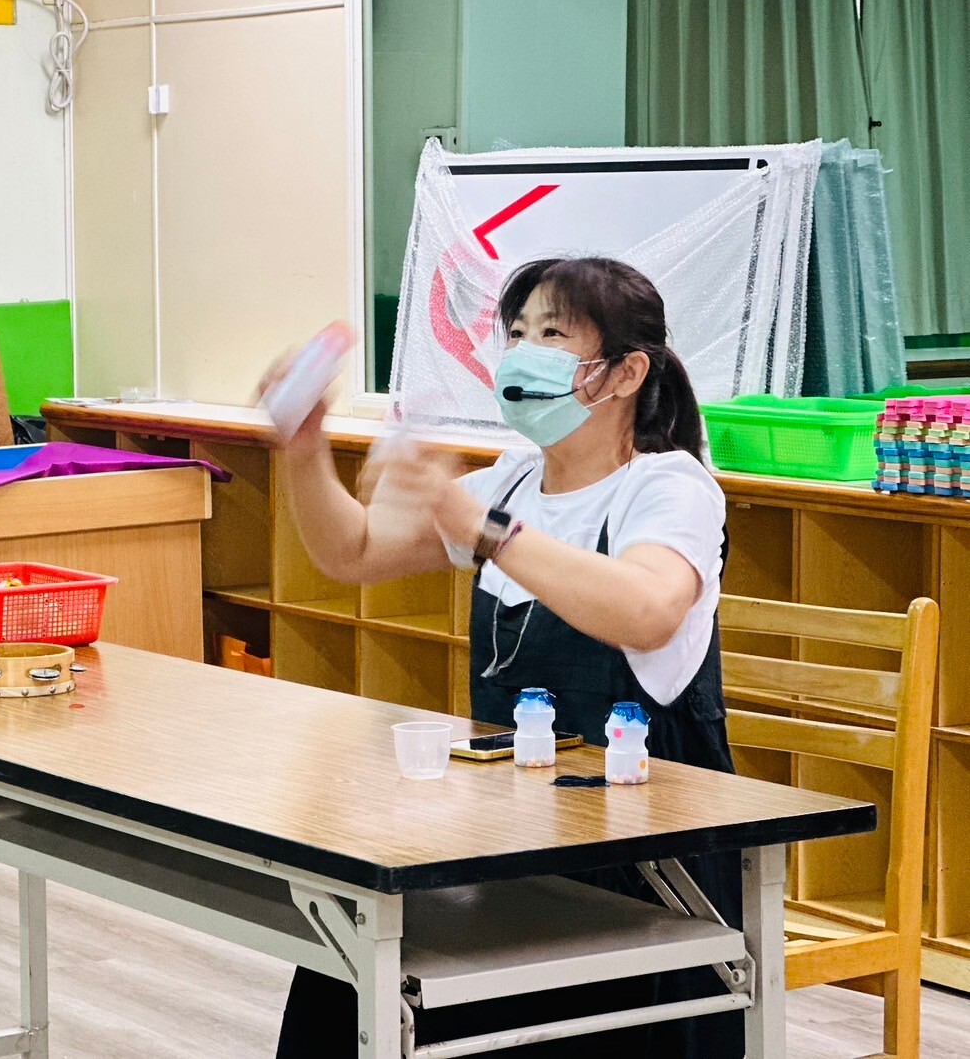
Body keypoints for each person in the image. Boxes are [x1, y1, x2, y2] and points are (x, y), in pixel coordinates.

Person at [268, 257, 742, 1058]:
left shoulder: (668, 487)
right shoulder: (516, 481)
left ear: (626, 372)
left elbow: (647, 611)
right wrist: (303, 446)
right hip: (511, 833)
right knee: (344, 955)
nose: (523, 352)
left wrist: (485, 531)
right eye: (516, 332)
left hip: (644, 863)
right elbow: (352, 551)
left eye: (552, 334)